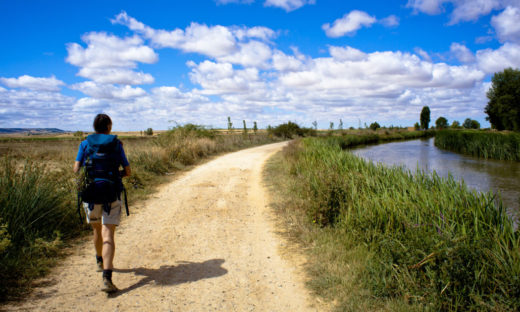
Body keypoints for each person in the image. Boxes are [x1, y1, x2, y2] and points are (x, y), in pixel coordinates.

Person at [73, 114, 131, 293]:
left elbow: (76, 169)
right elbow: (128, 171)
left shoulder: (84, 144)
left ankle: (99, 260)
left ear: (94, 126)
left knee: (96, 229)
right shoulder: (116, 144)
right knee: (109, 234)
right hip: (111, 193)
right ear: (109, 126)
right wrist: (114, 176)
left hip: (91, 194)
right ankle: (107, 276)